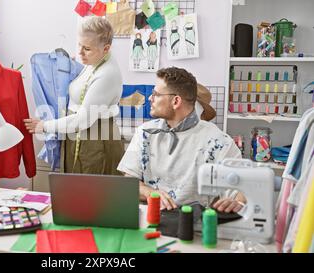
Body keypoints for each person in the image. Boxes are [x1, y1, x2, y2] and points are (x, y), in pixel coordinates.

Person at [117, 67, 246, 212]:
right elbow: (129, 183)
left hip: (194, 224)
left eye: (155, 94)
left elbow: (242, 190)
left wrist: (238, 202)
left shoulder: (220, 142)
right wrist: (151, 193)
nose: (149, 98)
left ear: (176, 101)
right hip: (150, 217)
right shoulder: (144, 133)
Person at [24, 17, 124, 175]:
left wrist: (44, 126)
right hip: (78, 135)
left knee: (92, 195)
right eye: (79, 45)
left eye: (87, 49)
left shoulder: (107, 74)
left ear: (106, 49)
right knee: (74, 191)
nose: (80, 52)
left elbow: (82, 120)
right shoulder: (94, 63)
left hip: (95, 140)